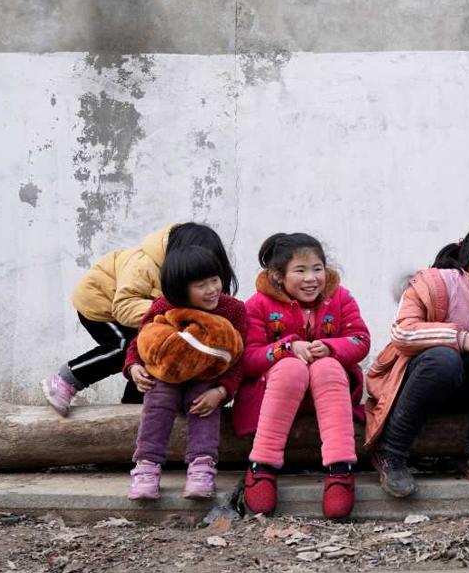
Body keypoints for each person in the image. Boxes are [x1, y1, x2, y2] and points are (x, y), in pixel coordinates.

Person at [365, 225, 469, 499]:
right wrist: (463, 339)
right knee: (443, 358)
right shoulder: (434, 283)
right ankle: (391, 453)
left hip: (464, 394)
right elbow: (402, 332)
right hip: (417, 387)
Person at [238, 233, 371, 520]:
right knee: (290, 366)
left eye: (317, 268)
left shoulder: (340, 297)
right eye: (300, 270)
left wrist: (331, 348)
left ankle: (340, 468)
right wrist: (286, 347)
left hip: (328, 394)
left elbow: (360, 339)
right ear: (277, 277)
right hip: (275, 397)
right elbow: (248, 360)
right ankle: (262, 464)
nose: (311, 278)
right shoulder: (258, 305)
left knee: (327, 365)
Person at [42, 222, 234, 414]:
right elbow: (124, 307)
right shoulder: (144, 264)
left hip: (142, 311)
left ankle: (133, 406)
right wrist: (173, 314)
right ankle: (65, 379)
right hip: (99, 305)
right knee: (124, 347)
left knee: (150, 353)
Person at [123, 245, 246, 501]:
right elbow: (141, 340)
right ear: (180, 289)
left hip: (207, 378)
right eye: (202, 285)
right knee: (157, 399)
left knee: (203, 404)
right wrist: (134, 367)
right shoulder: (164, 306)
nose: (212, 289)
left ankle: (202, 466)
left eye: (215, 280)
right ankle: (147, 465)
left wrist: (222, 391)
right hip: (167, 375)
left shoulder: (232, 310)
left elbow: (239, 358)